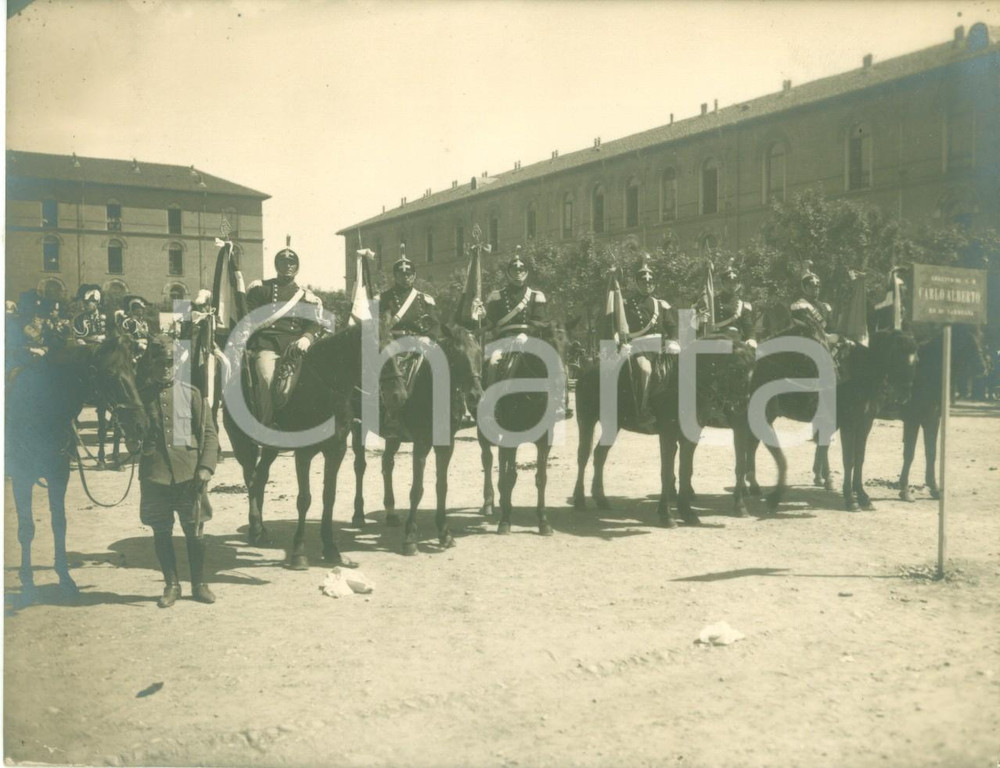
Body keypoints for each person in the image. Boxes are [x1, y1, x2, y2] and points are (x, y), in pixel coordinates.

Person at [137, 333, 220, 608]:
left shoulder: (192, 394)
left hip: (189, 477)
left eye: (169, 362)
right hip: (155, 476)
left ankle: (199, 584)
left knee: (195, 532)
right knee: (161, 532)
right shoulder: (141, 399)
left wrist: (206, 468)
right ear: (151, 365)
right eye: (159, 362)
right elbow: (131, 437)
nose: (164, 367)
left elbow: (209, 434)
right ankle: (171, 585)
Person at [245, 246, 323, 426]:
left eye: (292, 263)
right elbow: (247, 315)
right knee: (266, 380)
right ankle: (266, 426)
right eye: (284, 262)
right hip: (267, 345)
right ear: (276, 265)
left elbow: (313, 323)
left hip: (296, 348)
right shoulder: (261, 289)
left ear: (297, 266)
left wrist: (307, 338)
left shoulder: (305, 296)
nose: (288, 266)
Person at [620, 254, 677, 427]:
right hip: (638, 348)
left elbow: (671, 326)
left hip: (660, 348)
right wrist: (621, 342)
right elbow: (619, 327)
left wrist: (673, 341)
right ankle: (643, 410)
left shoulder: (661, 304)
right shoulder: (627, 303)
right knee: (645, 370)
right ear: (636, 283)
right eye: (643, 282)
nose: (647, 285)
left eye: (650, 282)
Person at [483, 247, 549, 384]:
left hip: (529, 341)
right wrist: (480, 315)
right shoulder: (497, 296)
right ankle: (490, 398)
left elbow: (539, 323)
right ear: (508, 273)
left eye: (521, 270)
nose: (518, 273)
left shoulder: (536, 296)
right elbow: (489, 323)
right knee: (493, 362)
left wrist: (526, 334)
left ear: (526, 272)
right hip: (504, 343)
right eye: (515, 270)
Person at [379, 245, 441, 388]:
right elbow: (378, 325)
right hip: (393, 343)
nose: (406, 277)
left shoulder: (424, 299)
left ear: (414, 276)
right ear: (395, 276)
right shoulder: (383, 298)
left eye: (409, 274)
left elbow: (435, 324)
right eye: (401, 274)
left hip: (419, 344)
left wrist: (429, 337)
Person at [697, 260, 756, 346]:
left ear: (738, 285)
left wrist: (751, 338)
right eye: (728, 282)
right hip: (715, 339)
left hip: (735, 341)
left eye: (734, 283)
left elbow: (748, 326)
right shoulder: (712, 301)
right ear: (722, 283)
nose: (731, 286)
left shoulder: (743, 305)